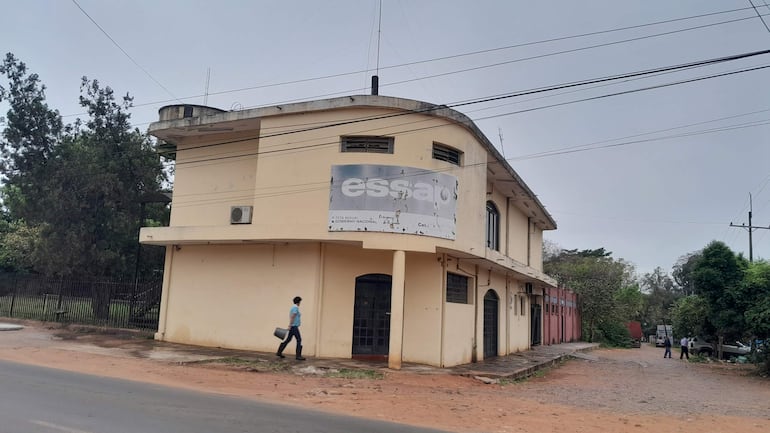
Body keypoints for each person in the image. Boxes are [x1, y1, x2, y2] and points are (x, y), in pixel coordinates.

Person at [276, 296, 306, 360]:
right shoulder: (295, 308)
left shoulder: (293, 307)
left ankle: (279, 352)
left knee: (288, 340)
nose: (300, 303)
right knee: (299, 339)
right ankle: (298, 356)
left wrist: (290, 325)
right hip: (294, 326)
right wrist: (290, 325)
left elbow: (293, 316)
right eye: (300, 302)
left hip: (293, 326)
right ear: (298, 302)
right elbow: (293, 316)